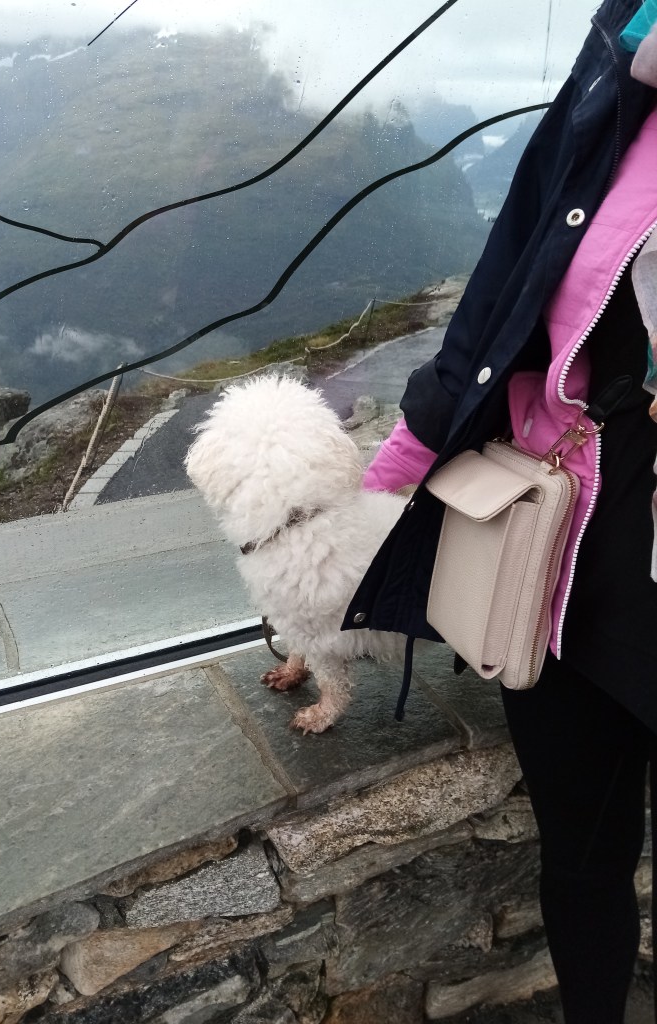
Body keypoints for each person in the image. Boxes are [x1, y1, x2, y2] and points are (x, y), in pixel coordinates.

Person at [343, 1, 657, 1021]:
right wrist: (397, 464)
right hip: (560, 549)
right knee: (583, 851)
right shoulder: (622, 61)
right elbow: (512, 273)